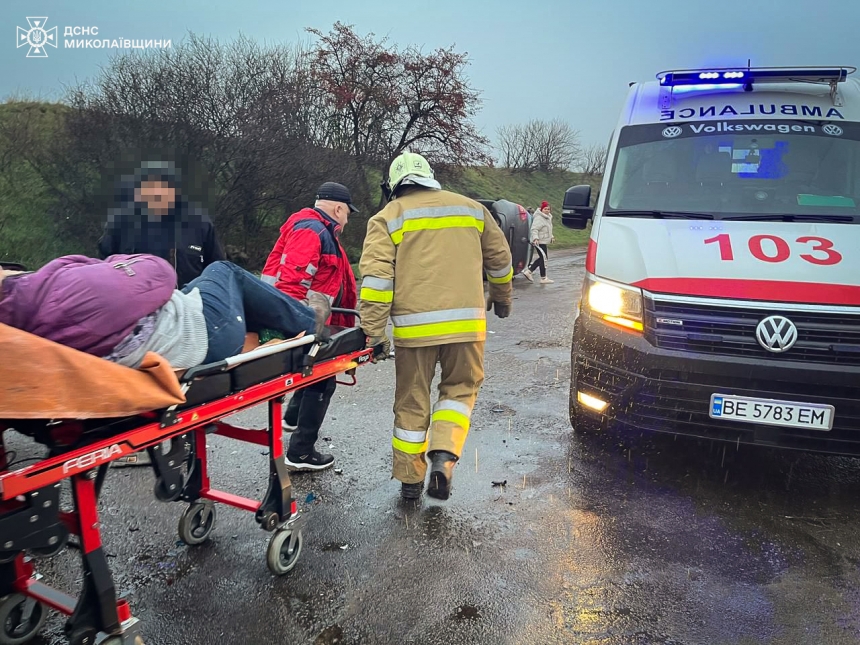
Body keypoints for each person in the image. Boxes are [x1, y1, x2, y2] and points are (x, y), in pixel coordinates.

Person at [358, 150, 513, 502]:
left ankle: (410, 482)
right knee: (459, 392)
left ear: (395, 185)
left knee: (412, 402)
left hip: (415, 334)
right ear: (429, 177)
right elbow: (501, 260)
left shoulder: (387, 217)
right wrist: (502, 299)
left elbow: (377, 281)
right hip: (466, 329)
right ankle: (443, 457)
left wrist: (374, 332)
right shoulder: (472, 209)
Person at [0, 254, 331, 371]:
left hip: (157, 325)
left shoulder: (25, 317)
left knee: (204, 286)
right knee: (223, 270)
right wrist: (116, 266)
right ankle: (308, 321)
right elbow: (159, 272)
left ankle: (283, 320)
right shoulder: (68, 293)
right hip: (201, 333)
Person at [261, 182, 359, 472]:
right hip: (303, 322)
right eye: (347, 212)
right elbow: (291, 284)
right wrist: (297, 330)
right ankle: (301, 452)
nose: (347, 219)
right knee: (322, 378)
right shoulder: (313, 231)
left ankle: (292, 419)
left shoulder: (316, 229)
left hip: (308, 320)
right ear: (338, 208)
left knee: (313, 371)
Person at [98, 161, 226, 288]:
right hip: (136, 305)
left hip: (188, 304)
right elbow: (104, 269)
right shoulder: (120, 223)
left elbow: (218, 271)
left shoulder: (200, 224)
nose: (157, 192)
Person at [522, 201, 554, 284]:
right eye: (545, 209)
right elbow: (534, 229)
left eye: (548, 209)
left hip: (543, 240)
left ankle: (530, 272)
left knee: (543, 258)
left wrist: (551, 237)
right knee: (544, 258)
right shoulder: (539, 218)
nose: (547, 210)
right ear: (542, 209)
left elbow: (547, 229)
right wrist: (535, 238)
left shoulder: (547, 217)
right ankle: (541, 277)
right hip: (539, 241)